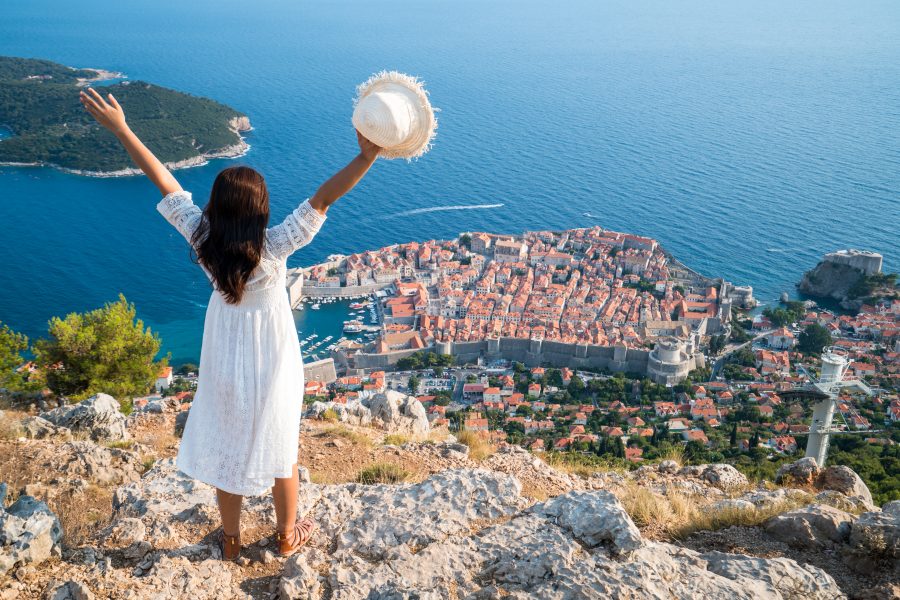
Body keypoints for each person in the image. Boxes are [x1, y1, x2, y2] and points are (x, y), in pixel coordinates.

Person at [79, 87, 381, 560]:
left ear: (216, 209)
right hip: (276, 361)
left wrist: (122, 129)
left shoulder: (202, 239)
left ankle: (232, 541)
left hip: (224, 357)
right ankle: (285, 535)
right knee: (282, 443)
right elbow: (324, 197)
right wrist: (367, 157)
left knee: (228, 448)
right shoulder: (277, 245)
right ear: (261, 211)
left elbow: (165, 182)